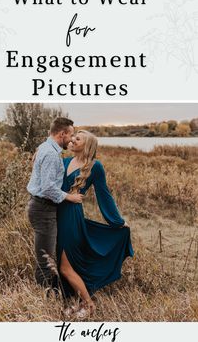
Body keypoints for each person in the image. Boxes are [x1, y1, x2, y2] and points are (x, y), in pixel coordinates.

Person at [57, 130, 134, 318]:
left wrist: (117, 221)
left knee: (65, 267)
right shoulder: (64, 161)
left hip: (71, 217)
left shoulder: (95, 166)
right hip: (56, 216)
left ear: (88, 145)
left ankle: (89, 305)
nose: (72, 139)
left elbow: (104, 195)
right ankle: (76, 303)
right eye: (73, 137)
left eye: (78, 138)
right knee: (66, 263)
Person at [27, 117, 83, 288]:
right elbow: (48, 188)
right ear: (62, 133)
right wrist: (70, 197)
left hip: (41, 207)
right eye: (71, 135)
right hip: (43, 209)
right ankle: (44, 302)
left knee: (47, 256)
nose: (72, 139)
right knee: (46, 260)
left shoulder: (46, 147)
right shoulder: (51, 153)